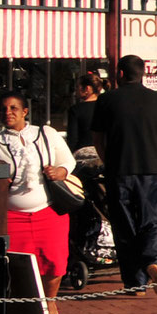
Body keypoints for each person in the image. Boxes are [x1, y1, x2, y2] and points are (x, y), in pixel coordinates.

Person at [92, 54, 157, 294]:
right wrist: (155, 158)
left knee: (124, 225)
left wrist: (108, 160)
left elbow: (98, 138)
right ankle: (154, 261)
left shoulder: (107, 100)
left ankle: (134, 282)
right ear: (143, 74)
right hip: (151, 169)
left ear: (120, 73)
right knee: (154, 220)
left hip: (119, 170)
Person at [0, 91, 75, 314]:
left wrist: (60, 172)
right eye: (3, 109)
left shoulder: (45, 134)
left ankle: (49, 300)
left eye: (13, 108)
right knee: (17, 268)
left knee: (55, 262)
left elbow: (68, 161)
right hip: (12, 216)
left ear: (24, 112)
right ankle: (22, 311)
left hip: (48, 212)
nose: (8, 113)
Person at [63, 73, 104, 292]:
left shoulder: (77, 110)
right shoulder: (105, 106)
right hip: (105, 160)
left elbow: (73, 140)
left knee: (82, 204)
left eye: (79, 87)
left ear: (86, 89)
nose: (76, 91)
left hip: (82, 162)